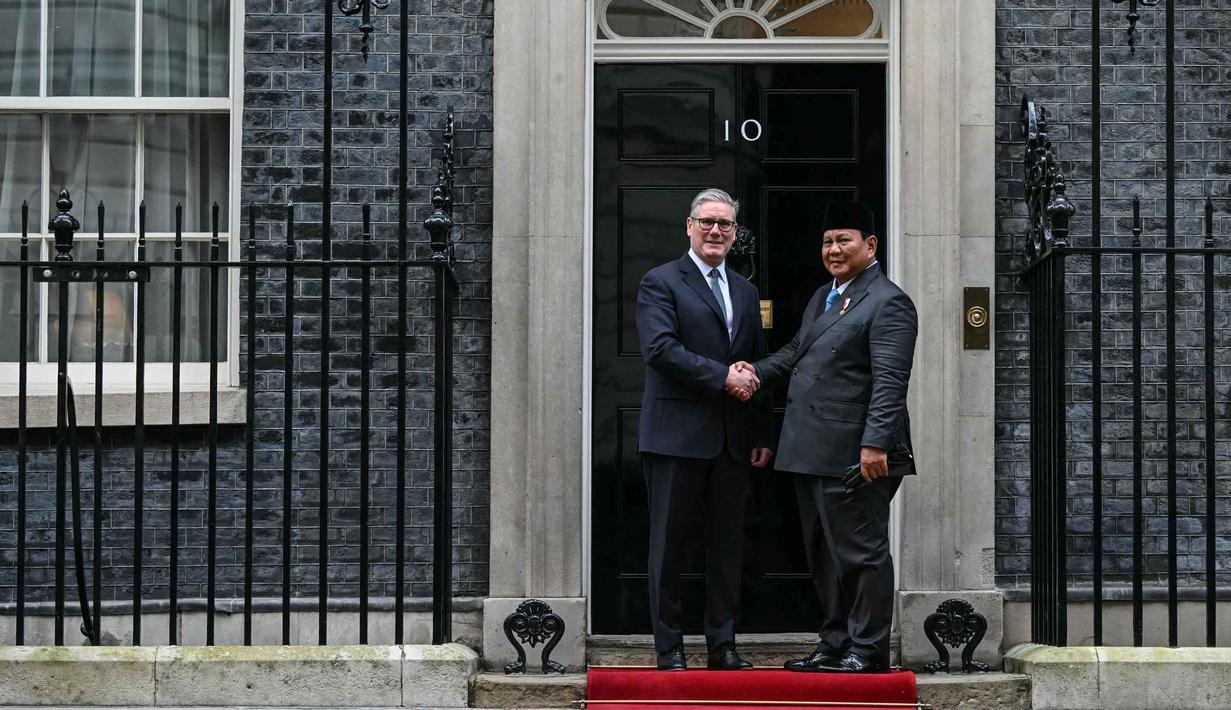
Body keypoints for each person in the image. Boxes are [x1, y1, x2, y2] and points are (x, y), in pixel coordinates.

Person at [733, 200, 917, 674]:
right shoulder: (825, 296)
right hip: (810, 448)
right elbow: (797, 350)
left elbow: (891, 380)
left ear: (869, 245)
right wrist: (753, 372)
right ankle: (835, 642)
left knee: (860, 554)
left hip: (855, 454)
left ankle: (868, 650)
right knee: (824, 555)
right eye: (827, 241)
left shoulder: (888, 301)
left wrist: (876, 444)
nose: (833, 250)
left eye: (843, 240)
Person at [636, 188, 775, 671]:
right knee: (669, 547)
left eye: (725, 224)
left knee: (727, 546)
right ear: (689, 226)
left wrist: (762, 433)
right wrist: (722, 378)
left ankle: (723, 644)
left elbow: (754, 360)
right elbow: (660, 349)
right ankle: (669, 647)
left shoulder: (745, 291)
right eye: (707, 222)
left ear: (735, 233)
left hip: (732, 441)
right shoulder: (660, 282)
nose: (716, 231)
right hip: (675, 437)